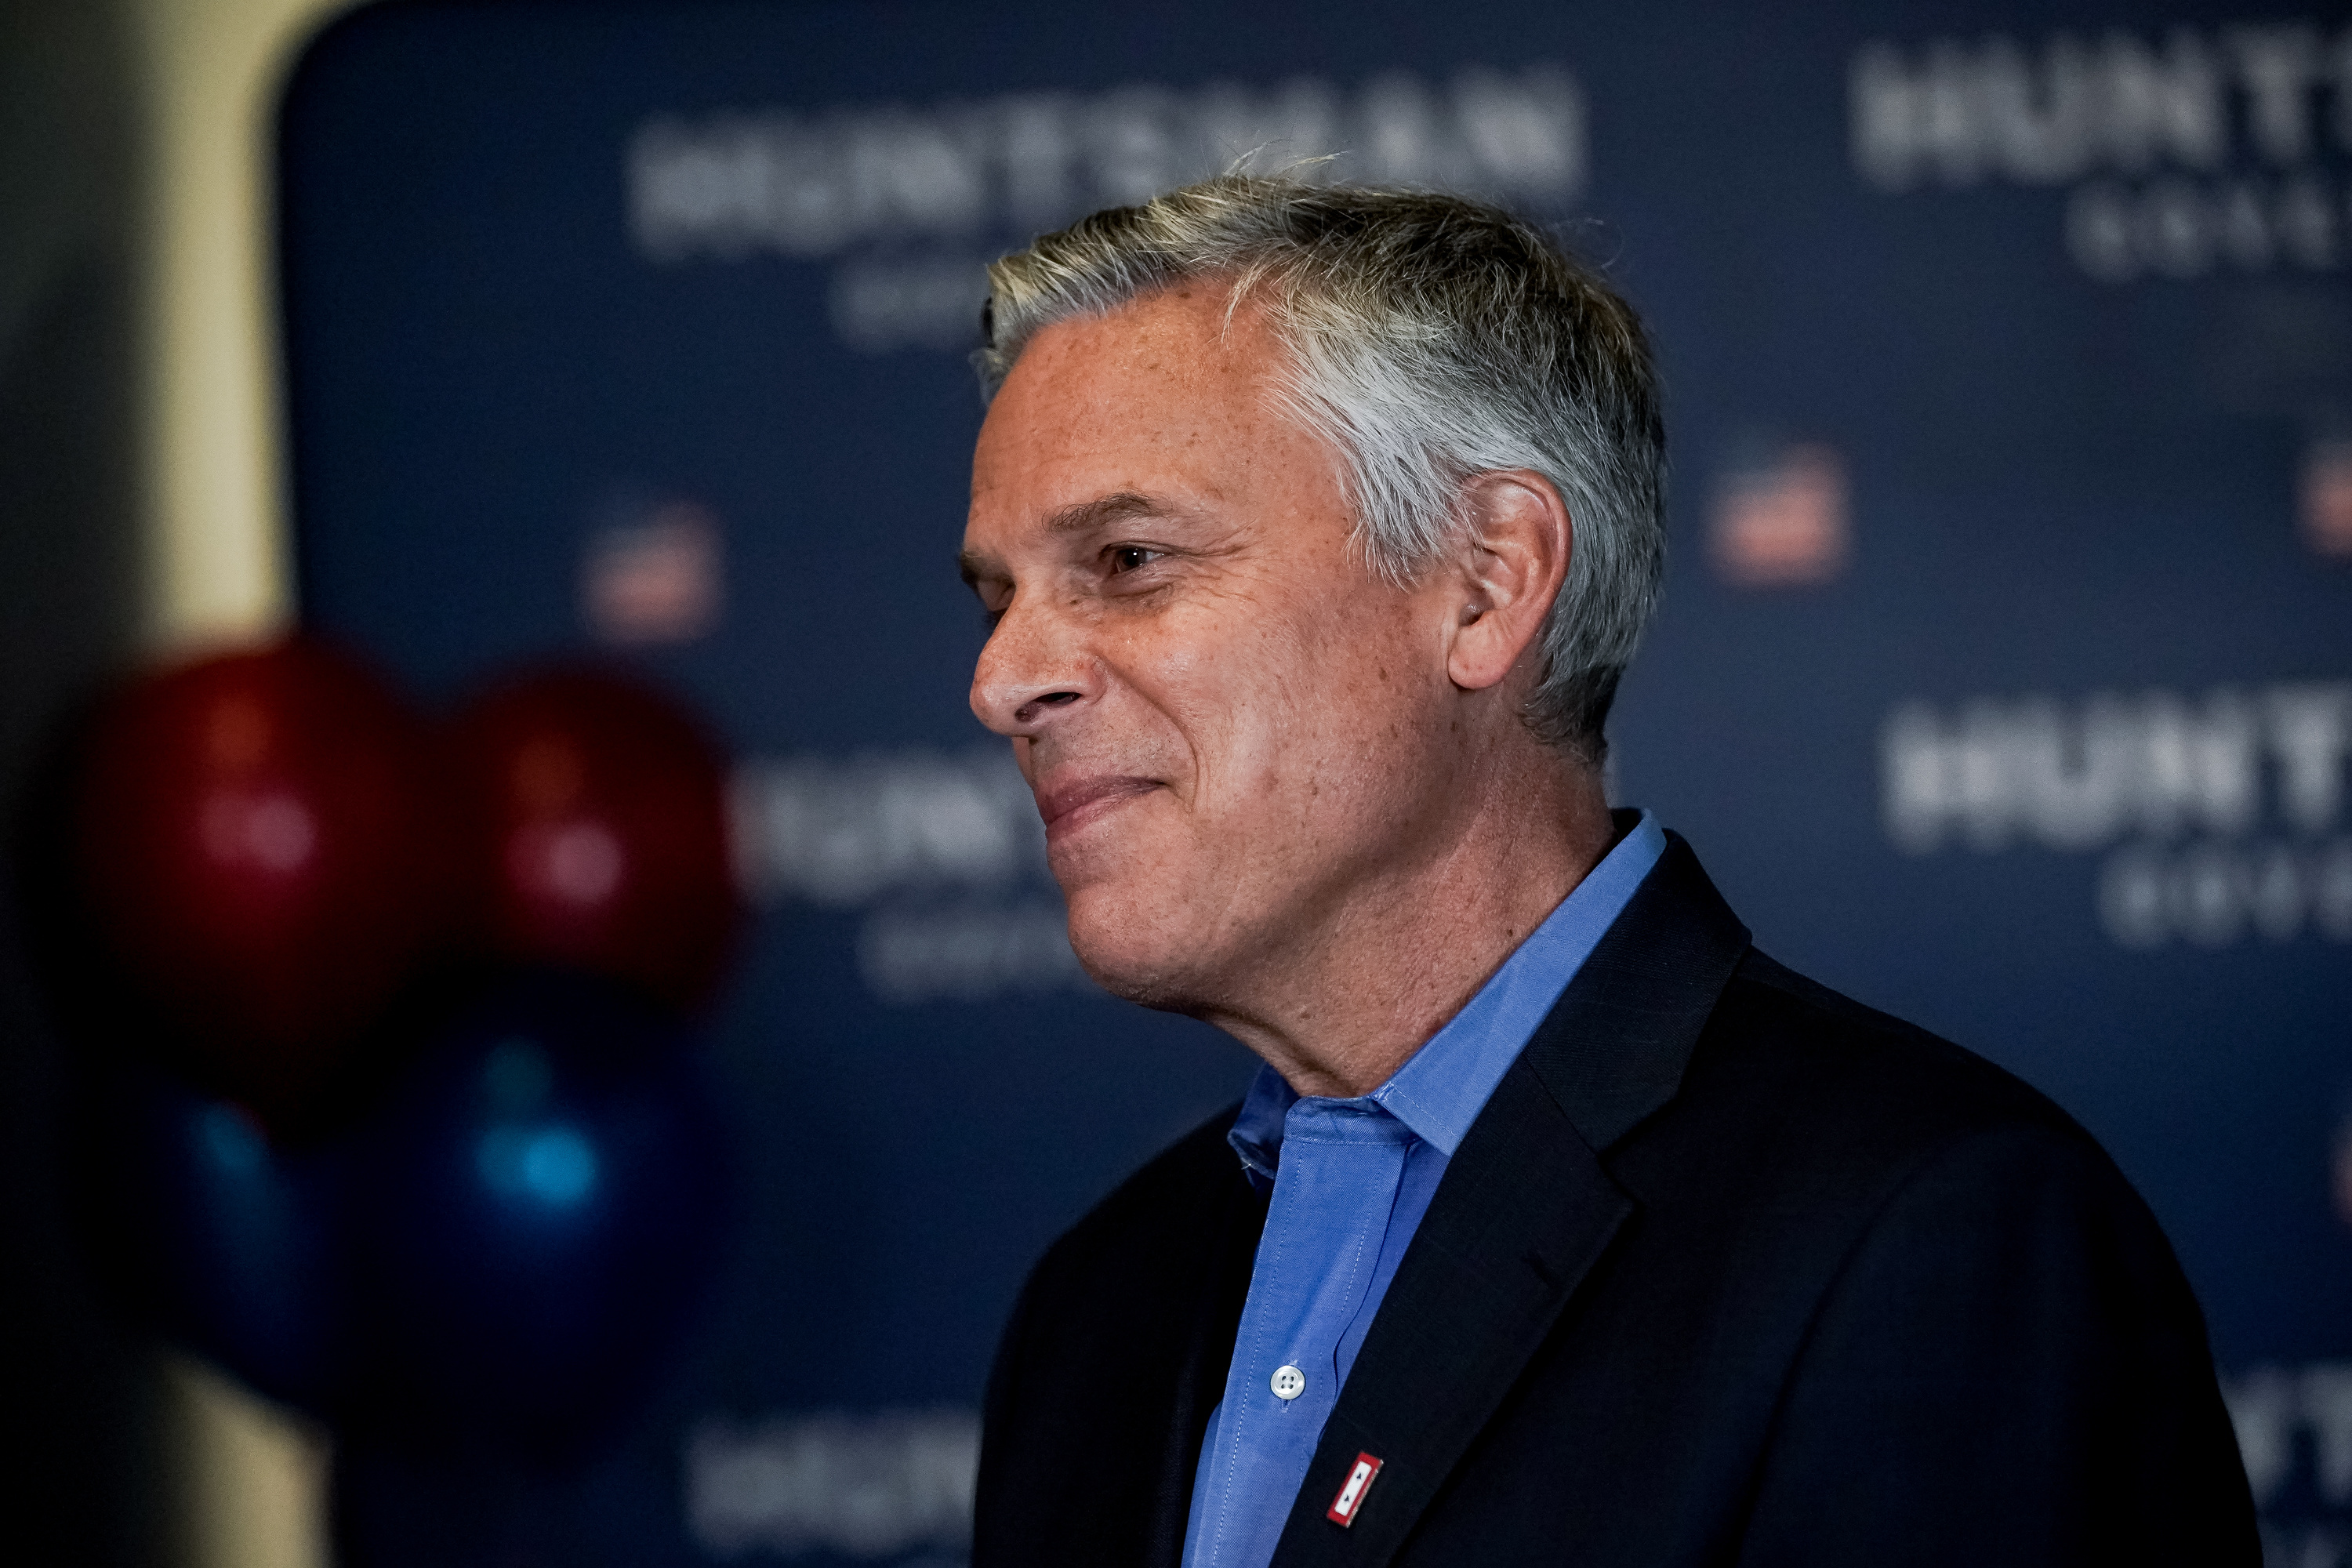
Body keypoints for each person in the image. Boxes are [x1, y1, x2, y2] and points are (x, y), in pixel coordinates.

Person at [954, 174, 2256, 1568]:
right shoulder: (1093, 1311)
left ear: (1487, 582)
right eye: (998, 596)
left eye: (1130, 559)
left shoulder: (1934, 1244)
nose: (1005, 678)